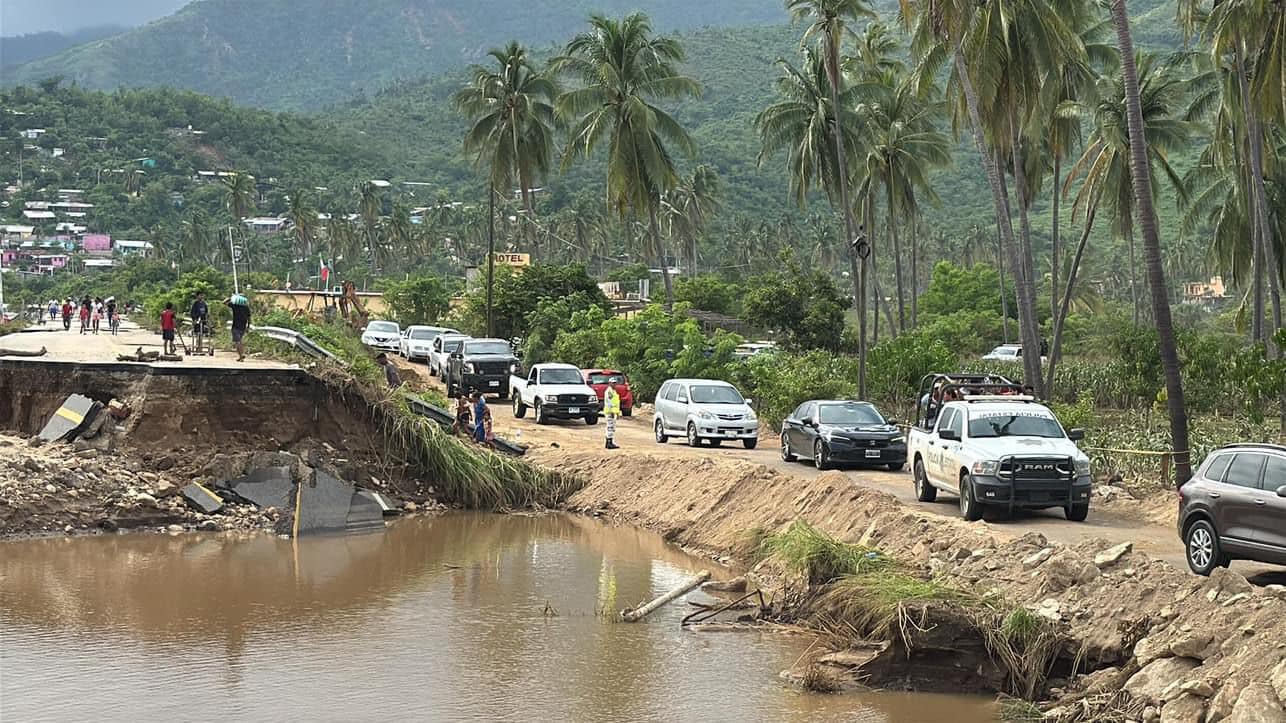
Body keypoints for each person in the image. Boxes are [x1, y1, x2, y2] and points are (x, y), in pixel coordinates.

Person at [225, 293, 251, 362]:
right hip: (243, 327)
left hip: (235, 326)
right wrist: (248, 327)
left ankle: (241, 355)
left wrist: (231, 297)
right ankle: (241, 356)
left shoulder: (235, 306)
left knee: (237, 342)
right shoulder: (246, 307)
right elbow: (249, 318)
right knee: (239, 341)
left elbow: (224, 302)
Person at [603, 381, 622, 449]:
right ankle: (609, 443)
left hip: (613, 411)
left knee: (611, 427)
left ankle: (608, 442)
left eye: (615, 383)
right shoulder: (609, 392)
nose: (614, 384)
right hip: (610, 412)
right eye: (613, 383)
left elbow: (616, 403)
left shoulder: (613, 391)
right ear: (609, 383)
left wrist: (617, 412)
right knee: (610, 427)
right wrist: (612, 412)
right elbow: (610, 403)